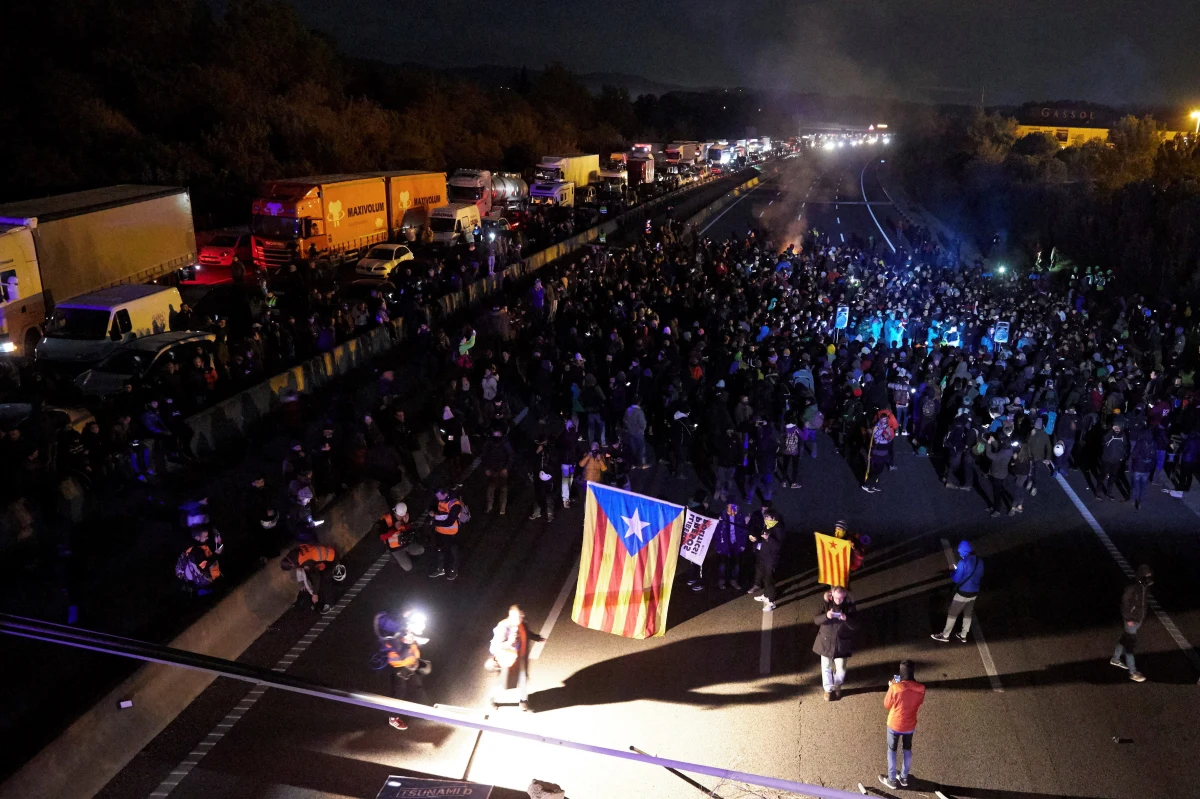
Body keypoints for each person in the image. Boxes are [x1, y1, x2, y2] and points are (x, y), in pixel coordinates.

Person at [374, 610, 431, 730]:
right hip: (399, 667)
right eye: (419, 626)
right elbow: (401, 654)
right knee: (398, 692)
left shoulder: (406, 629)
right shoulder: (396, 636)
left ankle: (427, 710)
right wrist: (408, 643)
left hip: (410, 663)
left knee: (417, 686)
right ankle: (393, 718)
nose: (421, 628)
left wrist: (415, 640)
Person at [878, 660, 926, 790]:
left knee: (892, 751)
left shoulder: (895, 687)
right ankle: (904, 777)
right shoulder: (921, 689)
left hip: (894, 724)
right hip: (909, 725)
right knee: (907, 750)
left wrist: (891, 686)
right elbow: (919, 702)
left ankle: (892, 779)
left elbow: (887, 704)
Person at [488, 605, 545, 711]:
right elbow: (495, 646)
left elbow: (527, 633)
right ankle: (492, 698)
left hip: (520, 658)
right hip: (508, 662)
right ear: (510, 615)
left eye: (521, 616)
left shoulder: (522, 623)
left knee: (523, 680)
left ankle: (523, 701)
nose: (520, 619)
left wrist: (537, 637)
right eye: (517, 617)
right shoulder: (502, 627)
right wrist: (509, 643)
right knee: (503, 685)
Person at [931, 540, 984, 643]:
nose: (960, 554)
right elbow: (980, 575)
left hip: (963, 592)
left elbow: (956, 579)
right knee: (968, 614)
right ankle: (963, 635)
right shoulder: (979, 561)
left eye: (960, 552)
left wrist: (952, 571)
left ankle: (945, 635)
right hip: (974, 592)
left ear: (964, 551)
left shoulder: (963, 562)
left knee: (952, 614)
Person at [813, 584, 858, 700]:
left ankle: (837, 684)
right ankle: (828, 690)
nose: (838, 600)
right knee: (826, 667)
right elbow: (816, 620)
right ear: (831, 595)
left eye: (841, 598)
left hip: (841, 643)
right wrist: (826, 616)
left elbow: (855, 625)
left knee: (841, 668)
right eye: (836, 598)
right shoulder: (826, 604)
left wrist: (846, 618)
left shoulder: (850, 607)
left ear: (844, 597)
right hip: (826, 641)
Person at [1111, 564, 1152, 682]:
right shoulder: (1132, 587)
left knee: (1126, 637)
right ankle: (1133, 672)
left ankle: (1115, 658)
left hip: (1138, 620)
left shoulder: (1145, 586)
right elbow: (1124, 604)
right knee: (1130, 645)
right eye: (1147, 575)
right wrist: (1128, 619)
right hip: (1132, 621)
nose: (1149, 577)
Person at [280, 543, 345, 613]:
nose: (293, 569)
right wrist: (302, 582)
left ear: (291, 564)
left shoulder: (306, 562)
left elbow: (316, 577)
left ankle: (330, 603)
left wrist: (315, 594)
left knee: (323, 581)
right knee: (314, 576)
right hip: (329, 553)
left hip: (332, 559)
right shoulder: (294, 552)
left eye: (291, 568)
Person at [748, 507, 783, 611]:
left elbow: (778, 546)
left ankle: (771, 602)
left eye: (768, 517)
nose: (766, 519)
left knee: (769, 579)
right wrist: (754, 538)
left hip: (771, 559)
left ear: (774, 518)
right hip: (763, 556)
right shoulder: (767, 526)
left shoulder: (778, 528)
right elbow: (762, 537)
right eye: (765, 517)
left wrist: (769, 538)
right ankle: (766, 595)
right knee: (764, 577)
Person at [376, 502, 425, 571]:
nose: (400, 517)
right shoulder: (386, 520)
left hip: (406, 543)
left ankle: (408, 554)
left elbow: (410, 530)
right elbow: (382, 537)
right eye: (399, 515)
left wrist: (407, 523)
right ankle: (396, 558)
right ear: (395, 512)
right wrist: (394, 528)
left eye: (402, 516)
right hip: (396, 549)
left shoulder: (405, 517)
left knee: (421, 550)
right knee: (408, 567)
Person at [428, 487, 464, 580]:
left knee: (453, 552)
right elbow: (432, 506)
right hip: (439, 531)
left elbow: (449, 522)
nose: (438, 499)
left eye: (439, 497)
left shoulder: (455, 504)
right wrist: (431, 511)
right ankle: (440, 569)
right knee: (439, 550)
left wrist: (434, 523)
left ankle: (453, 570)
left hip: (451, 533)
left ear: (445, 494)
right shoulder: (439, 498)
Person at [712, 502, 748, 590]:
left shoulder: (740, 516)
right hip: (724, 543)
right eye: (730, 507)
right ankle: (721, 580)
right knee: (723, 564)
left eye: (735, 507)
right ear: (727, 507)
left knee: (736, 563)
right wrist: (717, 546)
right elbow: (716, 532)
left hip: (736, 543)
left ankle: (734, 580)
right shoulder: (721, 517)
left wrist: (743, 544)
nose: (733, 509)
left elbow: (743, 531)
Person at [480, 427, 514, 515]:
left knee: (503, 488)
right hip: (491, 469)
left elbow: (511, 457)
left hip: (502, 469)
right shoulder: (488, 443)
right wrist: (486, 468)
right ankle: (489, 506)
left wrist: (506, 468)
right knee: (490, 488)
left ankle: (502, 507)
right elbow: (483, 456)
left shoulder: (505, 443)